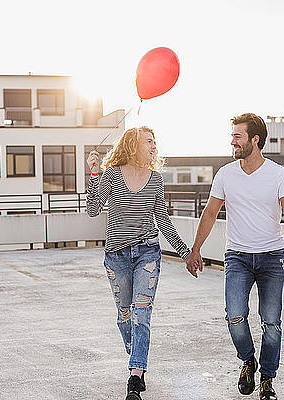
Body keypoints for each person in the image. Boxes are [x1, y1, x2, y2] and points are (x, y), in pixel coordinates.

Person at [186, 113, 284, 400]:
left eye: (238, 136)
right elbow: (211, 212)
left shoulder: (278, 174)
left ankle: (267, 379)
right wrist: (195, 249)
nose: (232, 141)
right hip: (237, 257)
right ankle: (248, 360)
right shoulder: (226, 174)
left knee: (271, 322)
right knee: (235, 316)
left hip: (271, 257)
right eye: (233, 136)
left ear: (255, 139)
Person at [86, 126, 196, 400]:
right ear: (133, 144)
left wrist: (186, 252)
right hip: (117, 256)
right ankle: (137, 353)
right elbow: (92, 210)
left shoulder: (156, 180)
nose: (153, 146)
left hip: (147, 253)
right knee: (125, 316)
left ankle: (136, 375)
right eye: (148, 141)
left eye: (154, 142)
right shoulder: (111, 174)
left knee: (141, 314)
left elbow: (164, 221)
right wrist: (94, 174)